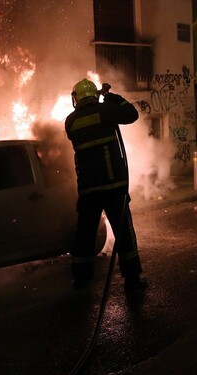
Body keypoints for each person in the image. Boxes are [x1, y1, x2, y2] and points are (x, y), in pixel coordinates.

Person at [64, 78, 148, 292]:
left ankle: (80, 281)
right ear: (93, 95)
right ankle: (132, 281)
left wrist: (104, 104)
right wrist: (112, 98)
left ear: (76, 98)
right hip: (113, 186)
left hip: (88, 189)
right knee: (124, 236)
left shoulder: (71, 121)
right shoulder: (105, 111)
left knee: (85, 236)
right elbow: (131, 114)